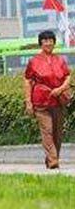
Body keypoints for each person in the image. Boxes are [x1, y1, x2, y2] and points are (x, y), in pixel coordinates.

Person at [24, 30, 71, 170]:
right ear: (41, 43)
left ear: (54, 42)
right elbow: (27, 80)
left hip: (58, 101)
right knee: (47, 130)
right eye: (45, 40)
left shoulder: (60, 60)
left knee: (57, 133)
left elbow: (68, 76)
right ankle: (53, 160)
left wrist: (61, 88)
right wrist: (28, 102)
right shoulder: (33, 61)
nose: (48, 43)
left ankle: (51, 157)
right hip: (41, 102)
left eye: (51, 40)